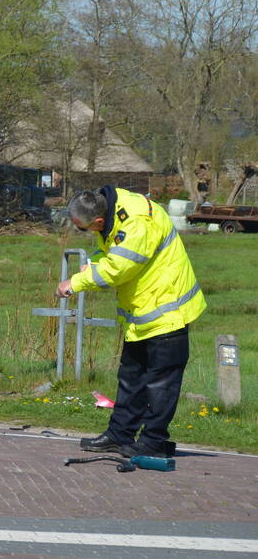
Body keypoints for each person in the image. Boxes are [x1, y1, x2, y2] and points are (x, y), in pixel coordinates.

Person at [56, 186, 206, 458]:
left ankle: (154, 442)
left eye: (85, 229)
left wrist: (75, 283)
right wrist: (94, 262)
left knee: (160, 385)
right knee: (131, 378)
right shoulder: (113, 211)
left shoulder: (136, 221)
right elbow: (115, 253)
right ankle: (119, 434)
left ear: (98, 221)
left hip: (166, 312)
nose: (89, 233)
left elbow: (120, 268)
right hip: (144, 313)